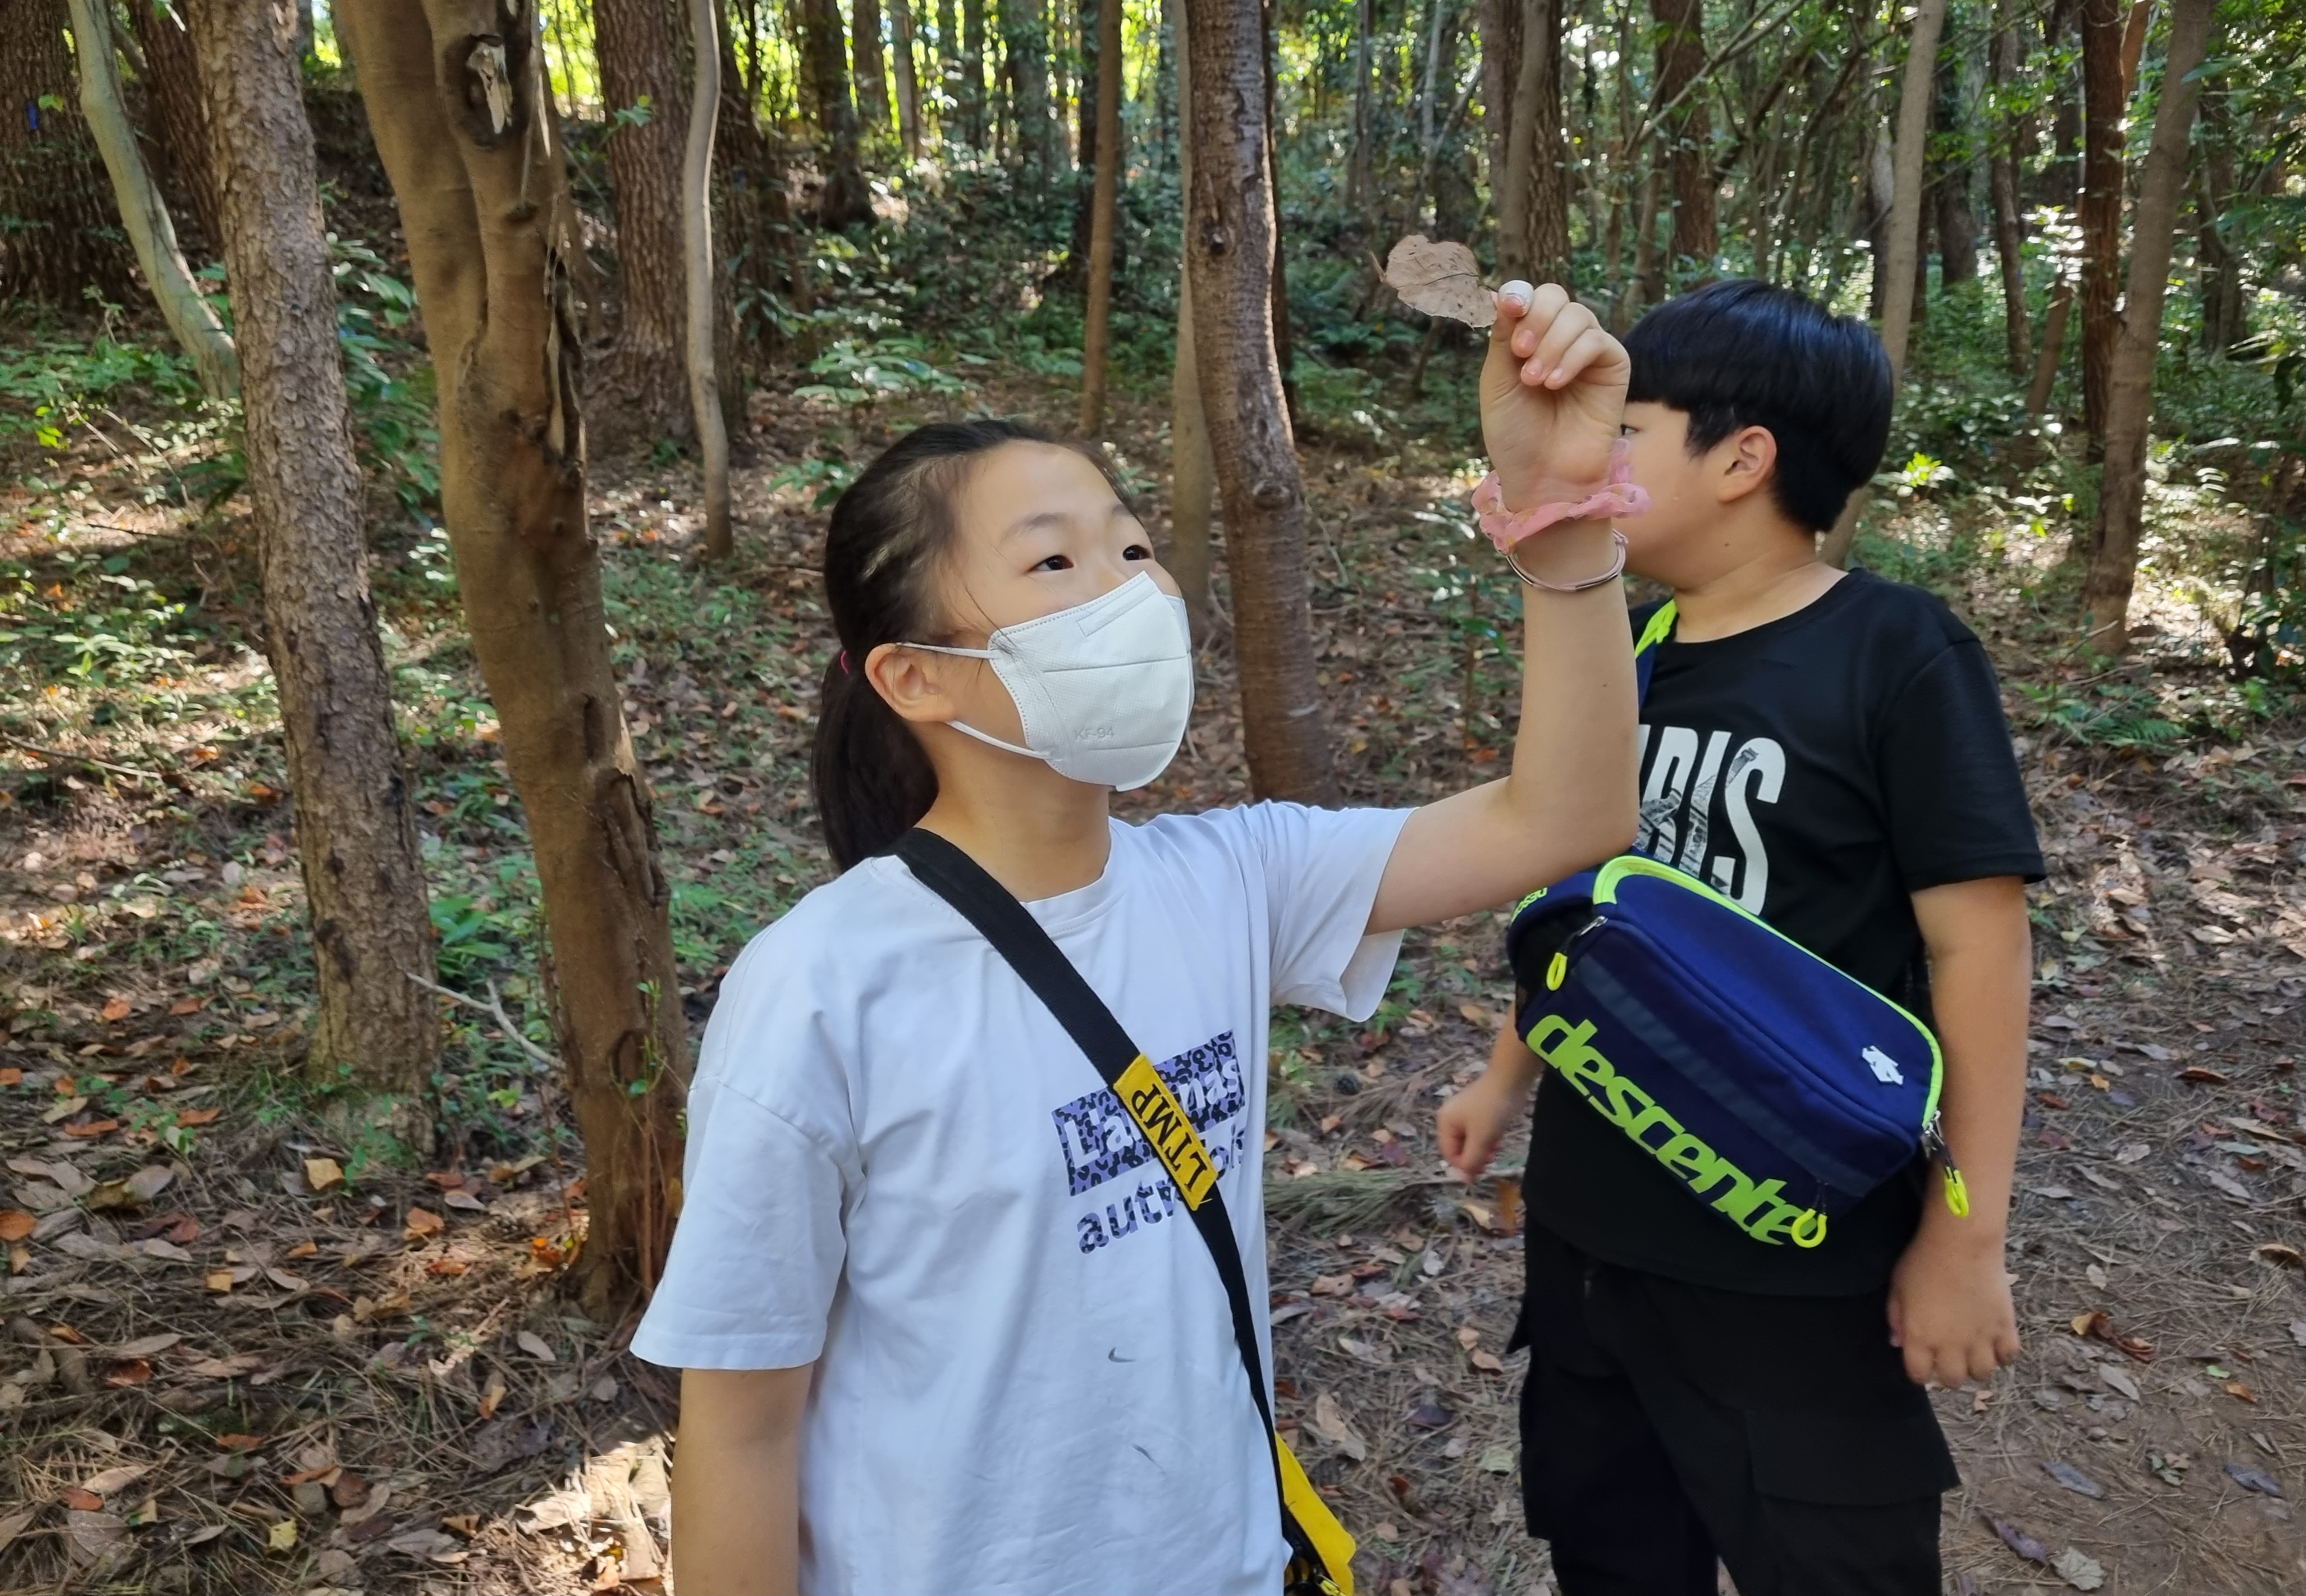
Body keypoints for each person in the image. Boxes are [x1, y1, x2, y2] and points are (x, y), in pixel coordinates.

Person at [635, 285, 1644, 1596]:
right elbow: (743, 1429)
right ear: (914, 675)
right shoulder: (822, 988)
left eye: (1131, 546)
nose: (1128, 589)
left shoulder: (1231, 879)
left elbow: (1568, 816)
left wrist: (1565, 518)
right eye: (1055, 564)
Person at [1437, 280, 2042, 1596]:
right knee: (1613, 1547)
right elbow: (1592, 908)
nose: (1600, 456)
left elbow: (1981, 951)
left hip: (1797, 1261)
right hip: (1593, 1236)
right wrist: (1504, 1075)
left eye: (1630, 431)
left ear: (1742, 459)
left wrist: (1965, 1233)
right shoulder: (1631, 653)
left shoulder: (1896, 653)